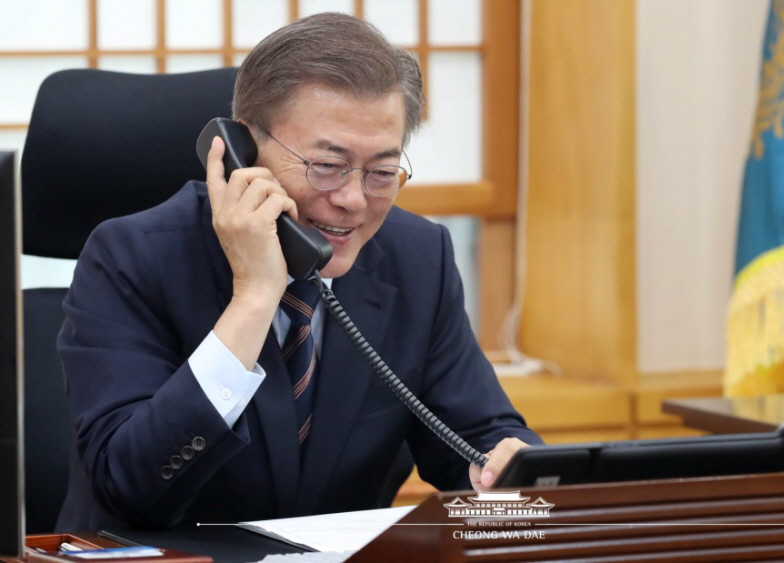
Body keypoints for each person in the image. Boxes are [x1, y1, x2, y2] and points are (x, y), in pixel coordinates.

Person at [56, 12, 541, 531]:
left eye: (381, 172)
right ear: (242, 152)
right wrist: (255, 295)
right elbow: (128, 488)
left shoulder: (419, 256)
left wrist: (507, 473)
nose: (354, 200)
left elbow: (478, 437)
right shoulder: (131, 257)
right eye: (326, 166)